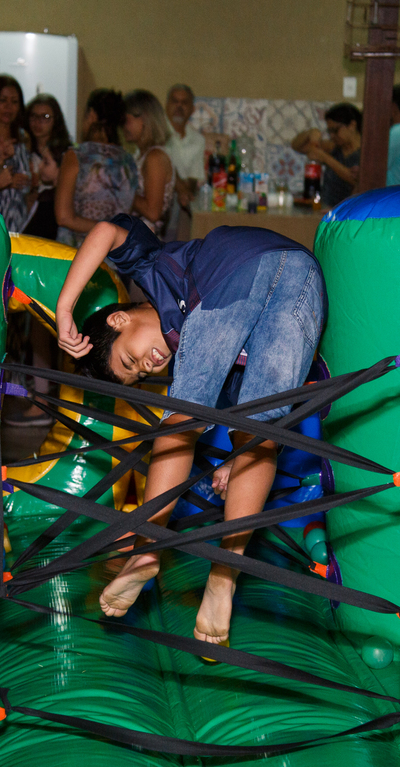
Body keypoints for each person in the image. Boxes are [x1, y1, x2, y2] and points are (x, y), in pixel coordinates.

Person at [56, 214, 325, 644]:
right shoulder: (197, 361)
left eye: (130, 360)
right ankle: (224, 576)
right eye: (138, 375)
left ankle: (148, 550)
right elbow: (243, 418)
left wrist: (66, 306)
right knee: (259, 434)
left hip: (242, 268)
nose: (145, 366)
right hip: (304, 289)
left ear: (119, 320)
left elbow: (106, 232)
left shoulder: (154, 270)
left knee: (181, 412)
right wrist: (235, 466)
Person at [54, 89, 138, 246]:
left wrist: (104, 230)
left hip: (77, 252)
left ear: (92, 115)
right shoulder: (129, 162)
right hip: (113, 255)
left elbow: (63, 217)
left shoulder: (76, 156)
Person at [0, 75, 32, 232]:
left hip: (17, 220)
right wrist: (4, 180)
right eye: (3, 100)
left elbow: (27, 183)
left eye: (14, 102)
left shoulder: (22, 137)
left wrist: (26, 181)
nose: (9, 107)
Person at [123, 90, 175, 238]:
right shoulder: (142, 154)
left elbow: (153, 212)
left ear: (144, 119)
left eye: (126, 120)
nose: (123, 126)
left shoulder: (155, 157)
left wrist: (121, 189)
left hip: (143, 246)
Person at [292, 103, 362, 208]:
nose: (332, 136)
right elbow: (298, 146)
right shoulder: (334, 147)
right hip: (325, 210)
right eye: (329, 131)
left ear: (352, 125)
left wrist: (325, 158)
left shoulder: (365, 153)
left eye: (335, 130)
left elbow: (355, 180)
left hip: (347, 214)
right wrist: (312, 134)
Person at [22, 94, 72, 240]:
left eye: (45, 117)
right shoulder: (22, 151)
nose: (38, 122)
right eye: (33, 116)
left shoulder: (66, 153)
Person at [164, 84, 206, 213]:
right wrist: (180, 188)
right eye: (175, 101)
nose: (179, 106)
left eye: (184, 103)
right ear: (166, 105)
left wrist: (185, 191)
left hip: (181, 202)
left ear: (192, 109)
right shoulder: (158, 132)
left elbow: (195, 175)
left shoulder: (198, 140)